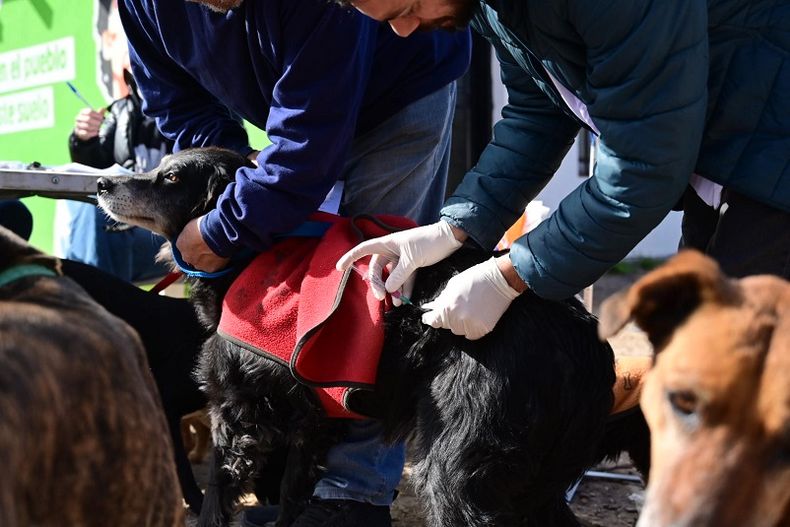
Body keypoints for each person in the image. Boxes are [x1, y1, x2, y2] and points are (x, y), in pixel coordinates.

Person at [118, 0, 470, 525]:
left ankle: (354, 493)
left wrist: (220, 228)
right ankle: (299, 483)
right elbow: (178, 104)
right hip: (300, 104)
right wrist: (226, 183)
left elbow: (306, 145)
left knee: (373, 289)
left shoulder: (325, 9)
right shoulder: (143, 7)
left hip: (398, 89)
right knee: (301, 296)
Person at [336, 0, 790, 340]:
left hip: (774, 150)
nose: (402, 30)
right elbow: (538, 112)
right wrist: (456, 226)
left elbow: (642, 166)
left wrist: (510, 275)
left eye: (409, 6)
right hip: (733, 155)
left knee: (739, 370)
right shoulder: (485, 5)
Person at [63, 68, 173, 282]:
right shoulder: (118, 112)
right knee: (91, 212)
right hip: (122, 229)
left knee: (103, 230)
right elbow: (93, 174)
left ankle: (97, 304)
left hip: (167, 233)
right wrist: (83, 141)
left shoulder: (194, 112)